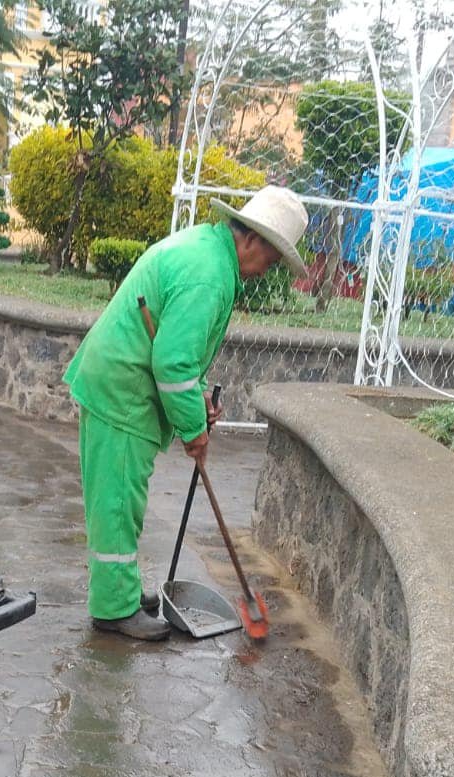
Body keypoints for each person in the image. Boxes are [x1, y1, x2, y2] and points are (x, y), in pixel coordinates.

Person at [64, 185, 309, 641]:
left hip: (123, 383)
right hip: (122, 391)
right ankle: (113, 608)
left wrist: (197, 399)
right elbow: (172, 363)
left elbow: (179, 354)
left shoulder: (209, 254)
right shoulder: (210, 274)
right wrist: (193, 428)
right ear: (252, 240)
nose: (266, 272)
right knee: (117, 504)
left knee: (122, 503)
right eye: (271, 261)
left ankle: (122, 590)